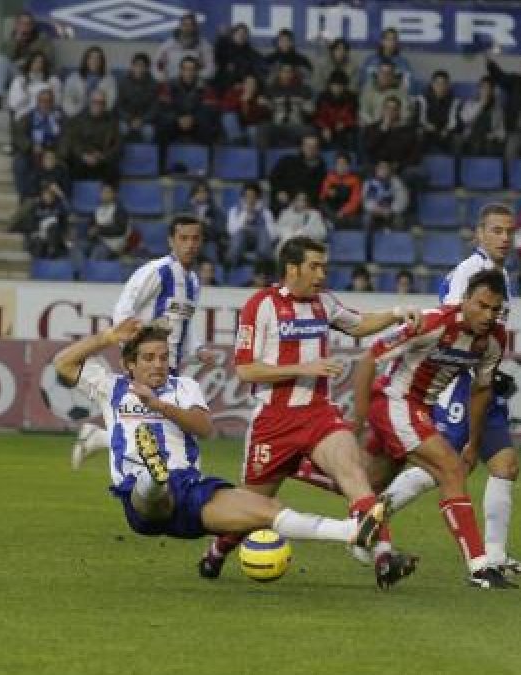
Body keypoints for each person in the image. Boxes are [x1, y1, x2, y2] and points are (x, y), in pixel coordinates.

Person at [55, 318, 386, 559]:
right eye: (148, 358)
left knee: (267, 509)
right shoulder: (111, 387)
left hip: (191, 489)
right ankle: (153, 478)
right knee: (152, 491)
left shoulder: (183, 387)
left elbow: (203, 427)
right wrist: (109, 336)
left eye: (164, 357)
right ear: (129, 364)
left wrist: (158, 405)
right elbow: (63, 363)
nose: (159, 364)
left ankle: (350, 532)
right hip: (140, 499)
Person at [200, 236, 420, 588]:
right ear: (292, 268)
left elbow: (359, 324)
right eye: (314, 266)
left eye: (324, 267)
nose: (321, 274)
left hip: (320, 416)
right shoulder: (261, 305)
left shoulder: (323, 303)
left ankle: (383, 557)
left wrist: (396, 314)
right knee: (253, 507)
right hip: (274, 422)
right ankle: (217, 551)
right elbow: (245, 370)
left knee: (355, 476)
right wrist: (305, 367)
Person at [353, 269, 518, 589]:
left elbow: (482, 390)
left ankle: (359, 534)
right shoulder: (433, 322)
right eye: (481, 306)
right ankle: (480, 566)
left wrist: (473, 442)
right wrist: (355, 425)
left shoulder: (495, 341)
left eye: (495, 309)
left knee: (368, 483)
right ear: (465, 300)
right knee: (451, 470)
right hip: (393, 402)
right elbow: (368, 360)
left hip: (418, 409)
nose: (488, 316)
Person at [71, 216, 217, 469]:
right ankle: (182, 476)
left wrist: (198, 349)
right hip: (148, 364)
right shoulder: (157, 271)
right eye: (184, 238)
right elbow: (123, 310)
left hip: (168, 367)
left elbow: (185, 321)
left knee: (153, 428)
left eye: (195, 238)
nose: (190, 244)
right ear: (171, 240)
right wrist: (134, 354)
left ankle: (98, 439)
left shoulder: (193, 281)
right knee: (169, 431)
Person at [0, 11, 53, 111]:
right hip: (16, 74)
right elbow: (5, 56)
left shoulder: (42, 40)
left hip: (33, 75)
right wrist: (16, 42)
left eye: (28, 24)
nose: (25, 27)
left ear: (32, 26)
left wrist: (27, 61)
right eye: (22, 24)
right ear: (16, 25)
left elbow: (48, 59)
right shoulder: (11, 39)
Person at [59, 90, 120, 183]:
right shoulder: (77, 120)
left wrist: (103, 156)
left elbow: (118, 145)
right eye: (95, 102)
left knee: (113, 170)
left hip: (101, 159)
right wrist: (84, 155)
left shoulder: (112, 122)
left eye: (101, 103)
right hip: (82, 159)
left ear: (105, 104)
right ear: (89, 102)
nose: (98, 105)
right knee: (68, 168)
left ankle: (108, 196)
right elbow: (72, 142)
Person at [268, 134, 327, 215]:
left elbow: (318, 191)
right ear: (302, 147)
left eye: (314, 147)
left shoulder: (321, 168)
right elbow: (273, 177)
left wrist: (304, 202)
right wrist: (279, 191)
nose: (311, 149)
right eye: (308, 146)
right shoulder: (287, 160)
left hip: (307, 204)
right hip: (284, 201)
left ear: (318, 149)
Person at [225, 182, 275, 269]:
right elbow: (231, 231)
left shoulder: (266, 212)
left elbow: (272, 234)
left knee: (263, 231)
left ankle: (264, 265)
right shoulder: (234, 211)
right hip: (242, 240)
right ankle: (231, 266)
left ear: (257, 197)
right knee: (239, 234)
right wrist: (245, 214)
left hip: (260, 242)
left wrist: (257, 214)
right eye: (247, 196)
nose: (250, 198)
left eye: (253, 196)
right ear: (243, 197)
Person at [154, 13, 214, 83]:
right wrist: (159, 75)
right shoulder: (168, 45)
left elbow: (211, 68)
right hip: (172, 84)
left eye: (190, 25)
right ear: (180, 26)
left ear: (195, 27)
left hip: (194, 86)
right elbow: (155, 64)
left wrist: (197, 76)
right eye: (184, 25)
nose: (187, 28)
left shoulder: (204, 46)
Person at [61, 45, 117, 118]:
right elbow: (67, 100)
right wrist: (76, 113)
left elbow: (110, 103)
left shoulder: (109, 79)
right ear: (86, 60)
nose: (94, 61)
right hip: (76, 115)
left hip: (100, 117)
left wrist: (97, 112)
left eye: (98, 58)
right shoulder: (74, 77)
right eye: (91, 58)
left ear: (102, 62)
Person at [456, 76, 505, 157]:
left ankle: (488, 168)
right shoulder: (470, 103)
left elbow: (502, 131)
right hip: (472, 136)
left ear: (492, 91)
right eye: (483, 88)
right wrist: (480, 105)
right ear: (479, 89)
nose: (486, 91)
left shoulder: (497, 108)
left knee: (491, 146)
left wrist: (495, 135)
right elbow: (465, 119)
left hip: (489, 138)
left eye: (489, 88)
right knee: (475, 145)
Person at [219, 73, 271, 147]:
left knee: (253, 130)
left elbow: (255, 120)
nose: (249, 86)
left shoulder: (259, 99)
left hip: (250, 127)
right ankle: (237, 145)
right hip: (235, 129)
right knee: (228, 117)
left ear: (256, 87)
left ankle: (251, 155)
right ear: (243, 85)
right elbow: (225, 108)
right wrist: (241, 101)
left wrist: (250, 104)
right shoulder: (234, 93)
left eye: (252, 84)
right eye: (247, 83)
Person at [117, 53, 159, 143]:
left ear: (147, 68)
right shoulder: (123, 83)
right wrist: (129, 119)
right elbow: (119, 106)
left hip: (145, 120)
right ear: (132, 66)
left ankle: (146, 156)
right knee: (122, 129)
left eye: (142, 66)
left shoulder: (154, 84)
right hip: (127, 119)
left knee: (149, 131)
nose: (139, 69)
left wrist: (142, 120)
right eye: (136, 65)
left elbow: (154, 108)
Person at [312, 71, 358, 151]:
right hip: (326, 127)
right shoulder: (322, 97)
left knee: (350, 135)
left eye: (340, 85)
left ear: (344, 86)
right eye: (335, 85)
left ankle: (344, 158)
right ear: (330, 85)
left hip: (344, 129)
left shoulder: (351, 98)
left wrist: (344, 124)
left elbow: (353, 117)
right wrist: (325, 127)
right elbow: (318, 117)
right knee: (318, 135)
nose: (337, 88)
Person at [272, 191, 328, 255]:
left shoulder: (314, 214)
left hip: (308, 245)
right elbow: (276, 230)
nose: (300, 202)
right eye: (298, 199)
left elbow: (323, 233)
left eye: (303, 200)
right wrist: (290, 231)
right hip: (288, 244)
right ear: (293, 201)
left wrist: (305, 232)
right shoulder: (285, 213)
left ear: (307, 202)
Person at [212, 23, 263, 92]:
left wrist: (243, 83)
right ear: (233, 35)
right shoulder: (224, 50)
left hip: (244, 86)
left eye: (244, 34)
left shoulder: (251, 53)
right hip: (224, 86)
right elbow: (218, 60)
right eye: (239, 33)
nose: (241, 36)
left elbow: (258, 70)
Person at [319, 152, 362, 229]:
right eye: (338, 164)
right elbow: (322, 196)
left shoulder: (355, 180)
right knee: (322, 205)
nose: (341, 166)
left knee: (355, 219)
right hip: (332, 211)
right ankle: (333, 222)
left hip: (346, 213)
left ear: (349, 166)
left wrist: (343, 211)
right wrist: (328, 193)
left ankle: (333, 223)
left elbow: (355, 201)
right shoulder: (329, 177)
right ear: (335, 165)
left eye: (344, 164)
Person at [419, 70, 459, 153]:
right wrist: (428, 126)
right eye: (437, 83)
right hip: (428, 131)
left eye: (444, 84)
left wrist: (447, 129)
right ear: (432, 84)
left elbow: (453, 121)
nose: (440, 86)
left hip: (444, 132)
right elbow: (421, 118)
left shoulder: (454, 101)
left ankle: (453, 165)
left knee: (457, 140)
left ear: (448, 85)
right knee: (419, 135)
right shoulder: (422, 99)